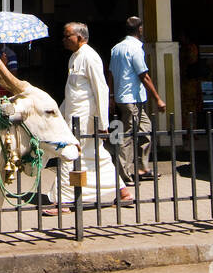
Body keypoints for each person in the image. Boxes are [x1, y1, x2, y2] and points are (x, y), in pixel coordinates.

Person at [44, 22, 130, 211]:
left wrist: (102, 122)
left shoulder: (90, 57)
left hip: (85, 119)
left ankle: (64, 201)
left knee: (69, 154)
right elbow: (73, 92)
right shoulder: (75, 57)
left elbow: (101, 89)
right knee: (97, 156)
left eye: (68, 36)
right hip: (74, 117)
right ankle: (123, 192)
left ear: (80, 38)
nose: (64, 40)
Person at [109, 16, 167, 183]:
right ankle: (124, 174)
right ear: (139, 29)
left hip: (124, 97)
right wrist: (158, 99)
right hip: (131, 99)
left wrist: (112, 96)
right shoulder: (135, 49)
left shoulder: (116, 48)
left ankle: (142, 168)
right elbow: (144, 76)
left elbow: (111, 74)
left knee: (145, 129)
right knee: (127, 137)